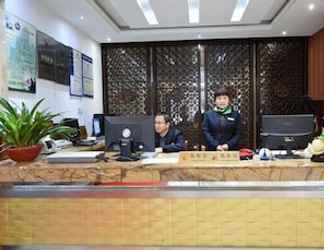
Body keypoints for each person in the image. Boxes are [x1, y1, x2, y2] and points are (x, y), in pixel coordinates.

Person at [202, 86, 240, 151]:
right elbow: (206, 132)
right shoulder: (208, 115)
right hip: (212, 150)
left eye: (225, 98)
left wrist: (228, 145)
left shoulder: (235, 115)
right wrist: (216, 145)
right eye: (219, 99)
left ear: (229, 100)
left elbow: (238, 133)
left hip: (231, 150)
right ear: (215, 101)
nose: (222, 101)